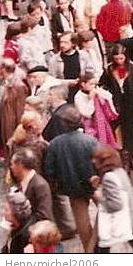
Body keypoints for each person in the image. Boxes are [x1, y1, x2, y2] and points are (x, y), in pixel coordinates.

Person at [43, 105, 98, 253]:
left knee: (82, 221)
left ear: (64, 123)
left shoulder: (55, 144)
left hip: (73, 187)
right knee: (107, 210)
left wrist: (57, 183)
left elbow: (49, 169)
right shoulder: (90, 140)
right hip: (93, 183)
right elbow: (101, 161)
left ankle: (89, 249)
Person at [89, 145, 133, 253]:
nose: (93, 161)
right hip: (128, 217)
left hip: (118, 220)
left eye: (96, 159)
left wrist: (99, 198)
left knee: (102, 246)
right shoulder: (119, 171)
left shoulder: (109, 177)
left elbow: (116, 204)